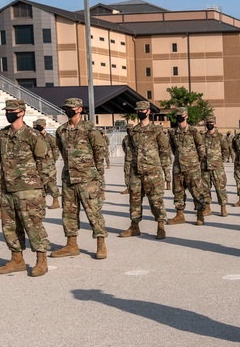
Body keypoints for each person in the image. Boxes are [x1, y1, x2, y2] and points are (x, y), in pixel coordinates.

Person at [0, 100, 50, 276]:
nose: (9, 113)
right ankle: (17, 259)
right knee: (9, 227)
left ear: (21, 112)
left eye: (12, 111)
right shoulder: (2, 135)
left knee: (33, 226)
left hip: (29, 191)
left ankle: (41, 260)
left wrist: (39, 189)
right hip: (7, 189)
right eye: (7, 110)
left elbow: (46, 163)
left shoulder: (32, 135)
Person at [52, 98, 109, 259]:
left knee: (93, 212)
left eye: (71, 108)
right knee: (69, 213)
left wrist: (98, 177)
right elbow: (62, 152)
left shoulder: (89, 129)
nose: (68, 110)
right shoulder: (61, 130)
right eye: (66, 108)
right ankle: (72, 244)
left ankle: (101, 243)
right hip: (68, 178)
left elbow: (99, 152)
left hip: (87, 179)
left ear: (79, 109)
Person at [120, 100, 171, 239]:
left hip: (153, 172)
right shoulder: (133, 131)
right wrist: (128, 173)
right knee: (134, 200)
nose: (140, 113)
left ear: (148, 111)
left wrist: (167, 173)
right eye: (138, 110)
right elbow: (129, 153)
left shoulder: (157, 131)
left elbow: (164, 151)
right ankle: (134, 226)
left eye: (142, 110)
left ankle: (160, 226)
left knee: (156, 200)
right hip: (136, 172)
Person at [167, 107, 208, 225]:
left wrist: (196, 162)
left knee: (196, 190)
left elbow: (201, 148)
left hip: (192, 167)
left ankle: (200, 214)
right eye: (178, 116)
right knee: (178, 191)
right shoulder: (173, 132)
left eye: (182, 116)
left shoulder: (194, 131)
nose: (180, 118)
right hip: (178, 166)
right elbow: (174, 149)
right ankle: (179, 215)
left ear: (186, 116)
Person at [201, 114, 229, 217]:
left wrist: (221, 160)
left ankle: (223, 207)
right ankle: (207, 208)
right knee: (205, 188)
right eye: (207, 123)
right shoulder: (202, 137)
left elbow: (226, 150)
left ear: (215, 124)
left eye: (211, 123)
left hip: (217, 167)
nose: (209, 125)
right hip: (204, 167)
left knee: (220, 188)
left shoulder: (220, 137)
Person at [33, 118, 61, 209]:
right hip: (38, 164)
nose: (38, 127)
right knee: (40, 184)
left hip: (49, 165)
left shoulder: (49, 137)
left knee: (51, 183)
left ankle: (55, 201)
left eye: (39, 125)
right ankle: (43, 201)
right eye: (36, 125)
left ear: (44, 126)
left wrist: (53, 160)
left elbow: (56, 148)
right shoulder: (34, 137)